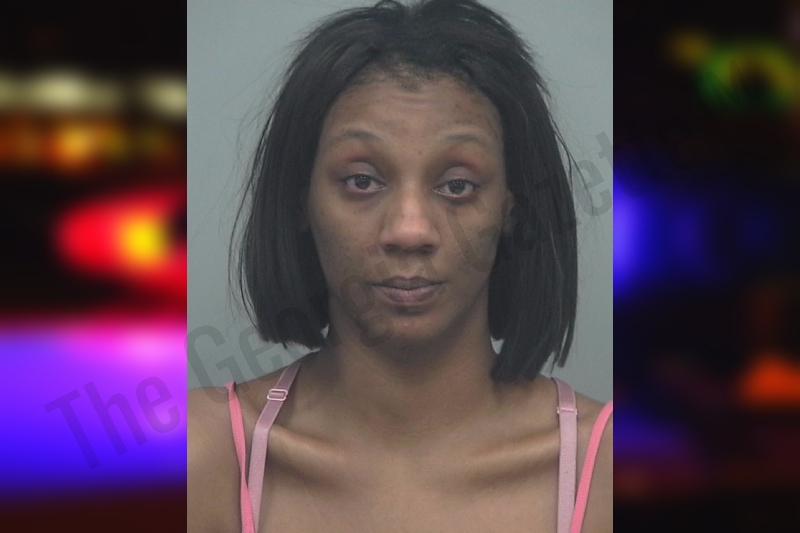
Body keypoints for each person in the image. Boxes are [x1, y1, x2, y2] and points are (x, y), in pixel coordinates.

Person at [188, 1, 612, 532]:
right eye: (362, 181)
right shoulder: (197, 457)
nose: (410, 230)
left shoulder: (611, 472)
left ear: (511, 210)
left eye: (458, 185)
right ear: (300, 202)